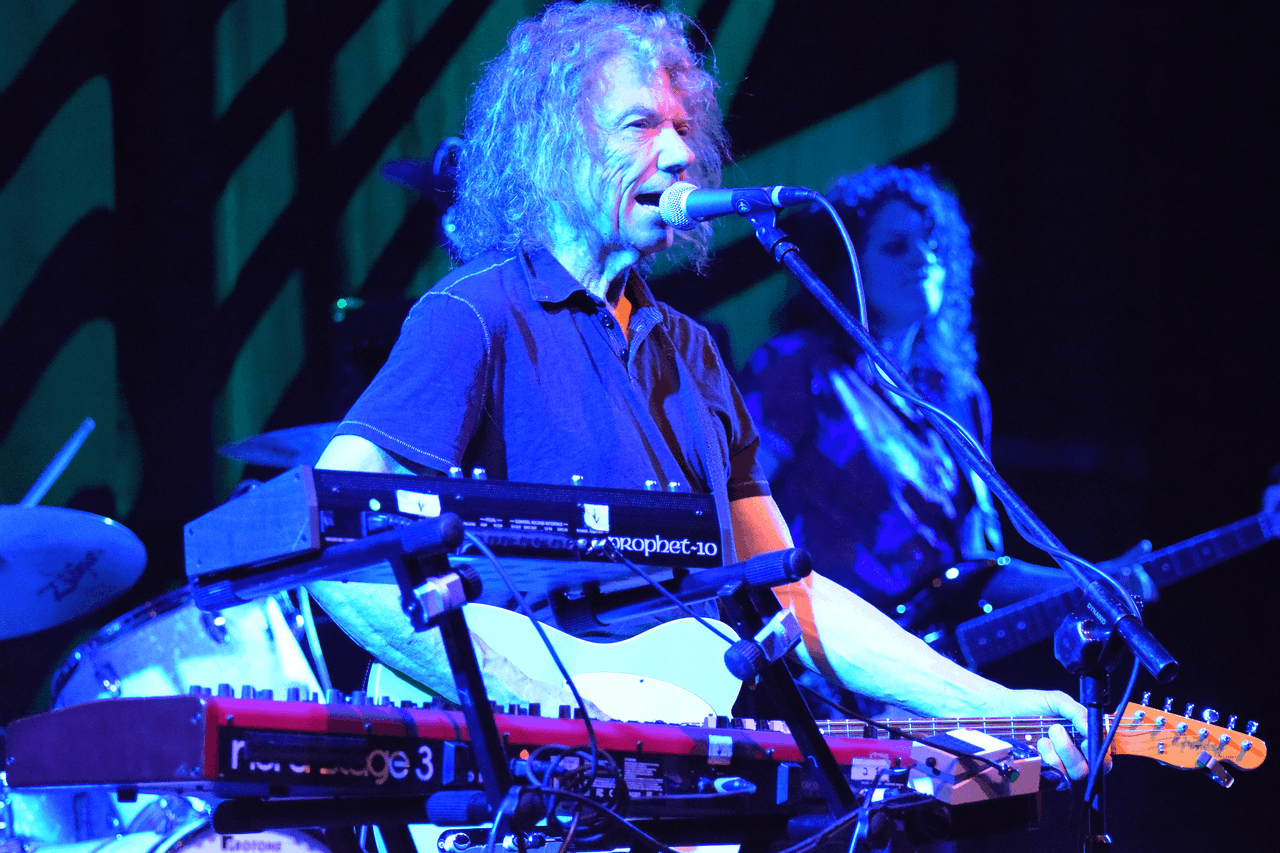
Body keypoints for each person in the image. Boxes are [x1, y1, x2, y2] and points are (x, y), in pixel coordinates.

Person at [307, 2, 1091, 785]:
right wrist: (546, 707)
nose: (680, 152)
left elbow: (790, 594)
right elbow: (330, 546)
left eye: (684, 127)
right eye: (641, 125)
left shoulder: (692, 354)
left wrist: (991, 703)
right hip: (530, 790)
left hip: (670, 783)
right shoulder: (474, 313)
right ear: (552, 145)